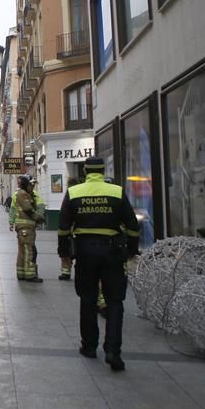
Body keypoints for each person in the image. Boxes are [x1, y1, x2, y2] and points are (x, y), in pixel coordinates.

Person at [58, 156, 140, 371]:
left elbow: (63, 227)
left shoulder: (74, 193)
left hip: (85, 252)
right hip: (113, 252)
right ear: (103, 171)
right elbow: (132, 226)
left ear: (85, 171)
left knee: (87, 299)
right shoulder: (116, 192)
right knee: (114, 302)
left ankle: (89, 346)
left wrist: (64, 253)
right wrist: (132, 250)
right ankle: (113, 351)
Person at [11, 175, 43, 282]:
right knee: (29, 251)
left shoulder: (23, 194)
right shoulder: (23, 194)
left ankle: (21, 273)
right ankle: (30, 275)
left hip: (23, 227)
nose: (32, 186)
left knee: (22, 251)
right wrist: (38, 217)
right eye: (30, 184)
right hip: (26, 227)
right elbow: (28, 209)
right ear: (26, 184)